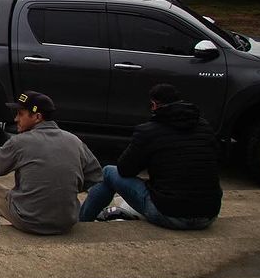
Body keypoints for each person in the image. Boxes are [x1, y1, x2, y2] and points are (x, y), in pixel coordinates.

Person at [80, 84, 222, 230]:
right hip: (208, 215)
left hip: (170, 214)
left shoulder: (148, 131)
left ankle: (82, 221)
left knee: (108, 172)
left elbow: (124, 170)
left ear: (154, 105)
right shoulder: (204, 126)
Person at [0, 91, 102, 234]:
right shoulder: (74, 141)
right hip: (66, 222)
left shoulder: (20, 142)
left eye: (21, 114)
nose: (15, 119)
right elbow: (95, 176)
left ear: (37, 117)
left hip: (30, 221)